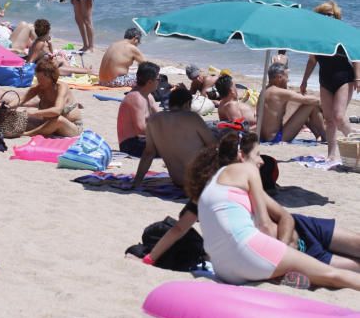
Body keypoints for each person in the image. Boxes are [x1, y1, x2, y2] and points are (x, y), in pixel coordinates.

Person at [183, 131, 360, 289]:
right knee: (335, 274)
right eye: (257, 154)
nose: (261, 160)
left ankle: (281, 274)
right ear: (241, 156)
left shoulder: (211, 187)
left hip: (228, 268)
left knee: (337, 266)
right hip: (264, 251)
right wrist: (282, 251)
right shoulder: (245, 171)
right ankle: (283, 271)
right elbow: (265, 224)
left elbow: (285, 217)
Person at [300, 0, 360, 160]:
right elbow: (312, 60)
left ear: (336, 17)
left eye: (330, 15)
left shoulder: (342, 32)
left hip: (344, 77)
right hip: (325, 78)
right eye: (324, 15)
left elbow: (355, 57)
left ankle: (354, 140)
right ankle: (331, 155)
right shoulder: (316, 36)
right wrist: (304, 80)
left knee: (339, 116)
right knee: (329, 119)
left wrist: (358, 78)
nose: (327, 17)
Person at [133, 87, 215, 189]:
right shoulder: (192, 117)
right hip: (199, 181)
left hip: (178, 182)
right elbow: (214, 146)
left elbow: (148, 153)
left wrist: (137, 181)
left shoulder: (154, 120)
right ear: (187, 104)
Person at [260, 63, 325, 143]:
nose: (288, 80)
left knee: (303, 105)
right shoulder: (279, 92)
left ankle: (318, 135)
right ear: (279, 77)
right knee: (311, 104)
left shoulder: (264, 91)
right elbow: (313, 101)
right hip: (276, 139)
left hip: (263, 137)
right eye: (287, 77)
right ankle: (324, 136)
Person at [19, 59, 83, 137]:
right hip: (47, 124)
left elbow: (57, 111)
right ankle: (40, 130)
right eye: (38, 79)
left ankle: (28, 134)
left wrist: (34, 112)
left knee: (59, 120)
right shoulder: (38, 87)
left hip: (70, 127)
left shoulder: (61, 87)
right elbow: (21, 100)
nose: (39, 82)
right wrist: (7, 106)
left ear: (51, 77)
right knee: (20, 117)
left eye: (42, 79)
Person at [117, 61, 161, 157]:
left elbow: (160, 117)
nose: (159, 81)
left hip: (142, 140)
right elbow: (140, 129)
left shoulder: (148, 96)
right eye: (158, 79)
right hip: (130, 145)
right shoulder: (136, 98)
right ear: (149, 82)